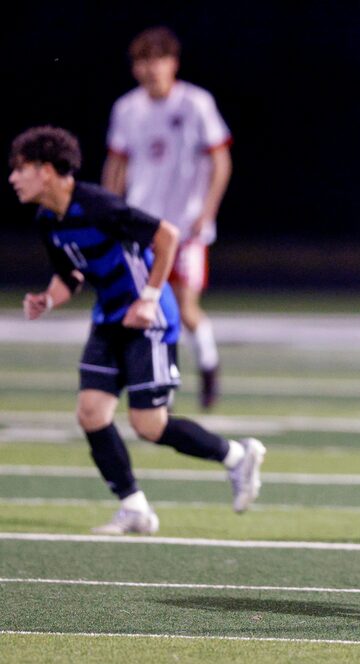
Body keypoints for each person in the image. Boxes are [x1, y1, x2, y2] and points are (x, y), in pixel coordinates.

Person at [9, 126, 265, 535]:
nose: (12, 178)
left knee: (149, 425)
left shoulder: (97, 205)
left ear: (45, 170)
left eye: (19, 169)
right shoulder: (48, 220)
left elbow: (167, 237)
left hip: (150, 320)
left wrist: (148, 297)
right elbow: (71, 273)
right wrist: (48, 299)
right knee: (91, 413)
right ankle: (135, 508)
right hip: (109, 319)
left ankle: (237, 456)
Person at [102, 26, 231, 408]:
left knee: (185, 307)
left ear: (172, 63)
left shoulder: (196, 103)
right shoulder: (127, 108)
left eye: (156, 60)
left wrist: (206, 211)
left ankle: (208, 365)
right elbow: (116, 164)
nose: (150, 69)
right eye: (142, 61)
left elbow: (220, 161)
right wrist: (111, 211)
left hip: (185, 225)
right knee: (148, 307)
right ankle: (162, 384)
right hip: (143, 225)